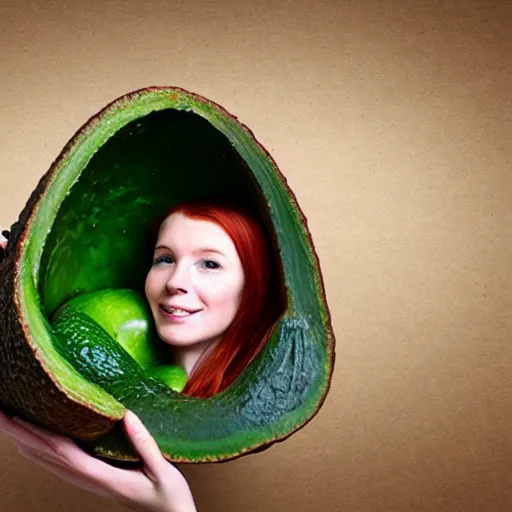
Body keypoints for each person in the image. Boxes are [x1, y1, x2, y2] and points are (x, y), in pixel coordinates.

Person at [0, 200, 284, 511]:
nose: (175, 282)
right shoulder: (121, 357)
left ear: (253, 286)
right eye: (164, 259)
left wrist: (174, 508)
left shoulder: (246, 405)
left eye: (210, 264)